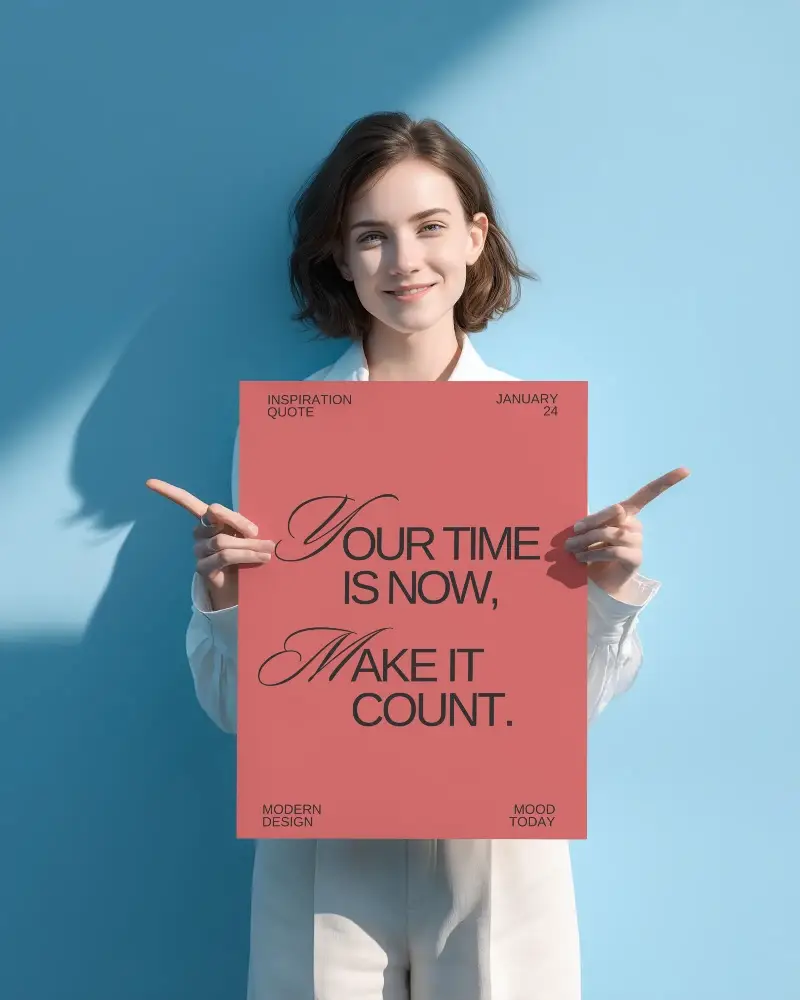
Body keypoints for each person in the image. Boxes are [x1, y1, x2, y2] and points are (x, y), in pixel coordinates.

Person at [149, 111, 688, 999]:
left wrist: (610, 591)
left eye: (430, 226)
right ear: (340, 257)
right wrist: (222, 599)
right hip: (324, 851)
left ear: (475, 236)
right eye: (372, 236)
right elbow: (239, 713)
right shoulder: (287, 435)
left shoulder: (532, 434)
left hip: (495, 852)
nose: (405, 262)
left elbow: (562, 712)